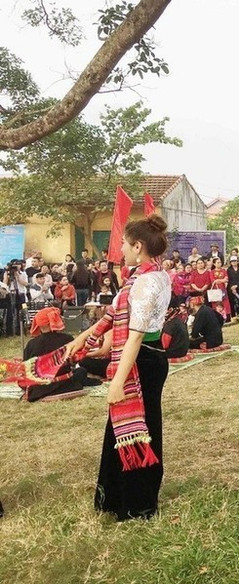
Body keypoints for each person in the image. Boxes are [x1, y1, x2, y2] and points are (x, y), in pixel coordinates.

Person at [64, 215, 172, 521]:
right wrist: (85, 339)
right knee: (121, 430)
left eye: (124, 243)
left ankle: (138, 503)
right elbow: (115, 315)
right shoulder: (146, 275)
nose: (120, 249)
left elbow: (136, 335)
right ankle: (115, 498)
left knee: (140, 429)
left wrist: (116, 382)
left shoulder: (147, 282)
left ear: (138, 246)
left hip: (143, 360)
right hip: (143, 356)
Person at [22, 307, 95, 402]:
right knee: (81, 371)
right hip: (63, 384)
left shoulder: (31, 344)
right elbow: (74, 361)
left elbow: (26, 368)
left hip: (39, 388)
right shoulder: (67, 339)